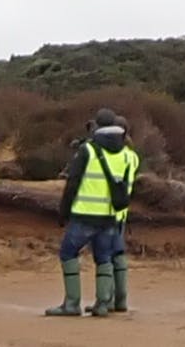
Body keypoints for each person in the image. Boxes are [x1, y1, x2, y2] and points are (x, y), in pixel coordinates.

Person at [47, 117, 137, 317]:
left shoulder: (88, 151)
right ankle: (103, 303)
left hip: (84, 214)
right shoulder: (126, 154)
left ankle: (72, 303)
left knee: (68, 253)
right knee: (105, 257)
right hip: (111, 215)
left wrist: (63, 211)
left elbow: (73, 183)